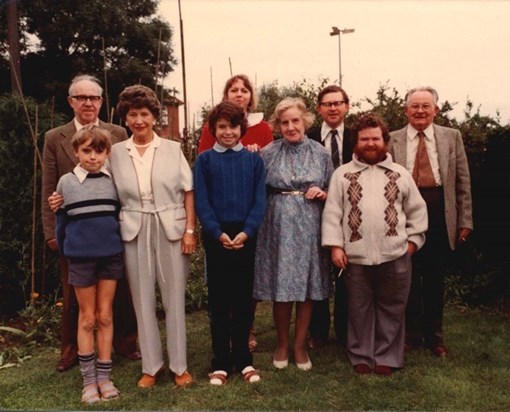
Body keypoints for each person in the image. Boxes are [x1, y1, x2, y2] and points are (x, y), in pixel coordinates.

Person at [41, 74, 140, 373]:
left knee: (119, 290)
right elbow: (49, 188)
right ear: (71, 101)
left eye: (93, 97)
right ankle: (71, 350)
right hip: (73, 230)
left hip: (111, 227)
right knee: (75, 294)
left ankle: (124, 343)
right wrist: (50, 231)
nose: (88, 102)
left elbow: (129, 178)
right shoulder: (54, 137)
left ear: (100, 101)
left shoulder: (118, 133)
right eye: (81, 97)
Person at [322, 113, 428, 375]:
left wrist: (412, 243)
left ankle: (386, 357)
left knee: (392, 307)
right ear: (356, 143)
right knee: (358, 308)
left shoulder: (400, 174)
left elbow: (417, 212)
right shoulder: (342, 175)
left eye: (375, 138)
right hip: (355, 257)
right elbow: (333, 213)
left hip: (395, 255)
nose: (370, 143)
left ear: (385, 141)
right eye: (364, 139)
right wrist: (336, 246)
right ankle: (360, 355)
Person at [107, 84, 197, 388]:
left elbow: (188, 191)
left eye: (144, 114)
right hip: (133, 229)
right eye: (132, 115)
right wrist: (64, 197)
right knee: (142, 299)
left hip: (171, 228)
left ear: (154, 116)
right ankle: (151, 366)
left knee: (173, 297)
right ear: (125, 118)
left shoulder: (172, 148)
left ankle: (179, 366)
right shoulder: (116, 153)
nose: (139, 120)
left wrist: (189, 231)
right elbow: (100, 185)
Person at [388, 86, 473, 357]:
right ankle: (410, 335)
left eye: (426, 106)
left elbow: (462, 181)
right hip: (404, 216)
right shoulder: (392, 139)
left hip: (438, 213)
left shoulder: (451, 137)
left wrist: (465, 219)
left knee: (435, 279)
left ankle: (435, 338)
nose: (421, 111)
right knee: (407, 277)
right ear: (406, 110)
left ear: (436, 109)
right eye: (415, 106)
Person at [253, 97, 333, 371]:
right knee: (282, 287)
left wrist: (324, 193)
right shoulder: (268, 153)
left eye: (295, 120)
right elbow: (257, 191)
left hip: (310, 224)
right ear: (277, 126)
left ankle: (300, 345)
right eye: (284, 122)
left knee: (307, 287)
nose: (290, 127)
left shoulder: (321, 153)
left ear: (305, 121)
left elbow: (334, 190)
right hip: (277, 225)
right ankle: (282, 344)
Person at [198, 74, 273, 352]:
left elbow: (260, 194)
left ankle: (243, 346)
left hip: (246, 227)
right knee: (219, 292)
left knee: (244, 289)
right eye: (222, 128)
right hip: (218, 230)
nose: (228, 132)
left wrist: (247, 230)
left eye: (244, 90)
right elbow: (203, 197)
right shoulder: (206, 155)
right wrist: (215, 231)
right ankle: (221, 353)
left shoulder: (255, 152)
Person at [56, 125, 123, 403]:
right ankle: (89, 381)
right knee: (87, 318)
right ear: (76, 152)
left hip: (111, 257)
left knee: (105, 315)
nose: (93, 156)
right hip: (81, 259)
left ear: (107, 153)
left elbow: (119, 216)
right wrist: (70, 251)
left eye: (99, 151)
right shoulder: (66, 183)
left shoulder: (113, 182)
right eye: (86, 150)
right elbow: (61, 225)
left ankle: (105, 377)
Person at [307, 85, 353, 349]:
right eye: (327, 104)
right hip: (315, 213)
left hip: (351, 213)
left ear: (347, 106)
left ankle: (346, 331)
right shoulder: (309, 138)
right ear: (319, 108)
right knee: (319, 271)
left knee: (347, 271)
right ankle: (318, 332)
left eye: (338, 103)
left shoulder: (358, 136)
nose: (333, 108)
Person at [197, 74, 273, 154]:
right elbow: (204, 160)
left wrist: (257, 154)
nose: (239, 94)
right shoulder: (212, 126)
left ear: (251, 97)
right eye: (234, 90)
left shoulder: (264, 128)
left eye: (244, 91)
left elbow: (270, 161)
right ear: (226, 95)